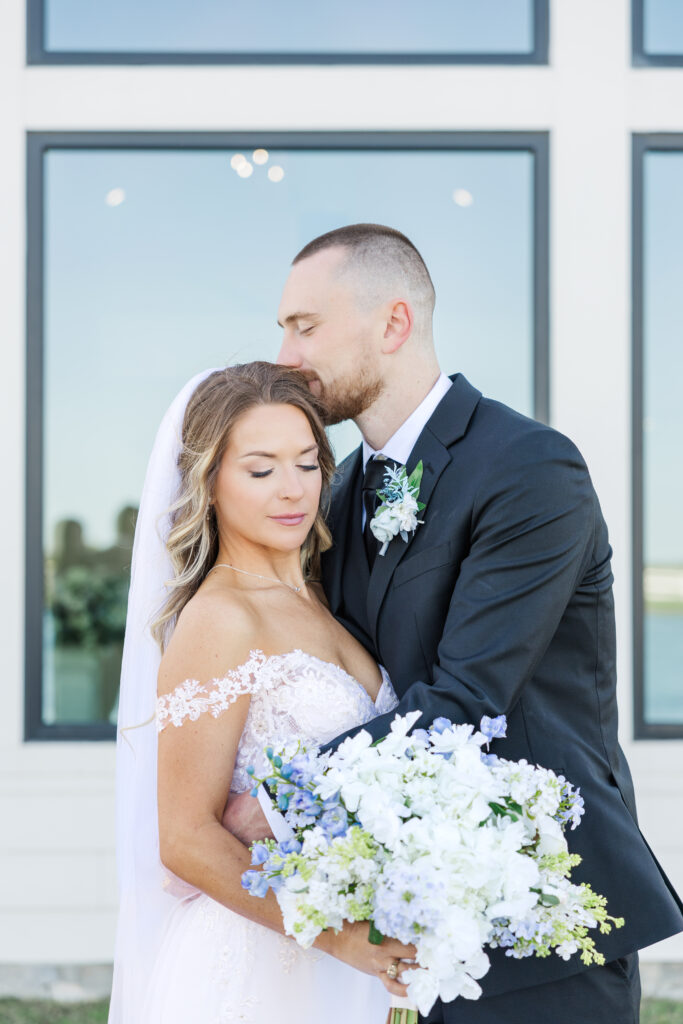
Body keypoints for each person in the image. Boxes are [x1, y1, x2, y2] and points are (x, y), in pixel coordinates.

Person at [226, 224, 683, 1023]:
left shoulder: (528, 469)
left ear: (393, 324)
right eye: (282, 329)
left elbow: (468, 697)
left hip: (541, 915)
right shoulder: (334, 498)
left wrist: (279, 802)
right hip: (400, 925)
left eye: (305, 326)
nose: (286, 355)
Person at [108, 361, 417, 1024]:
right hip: (252, 963)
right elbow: (185, 838)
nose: (293, 490)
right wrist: (340, 938)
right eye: (259, 469)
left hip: (344, 965)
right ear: (208, 482)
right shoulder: (221, 618)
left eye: (307, 463)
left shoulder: (321, 600)